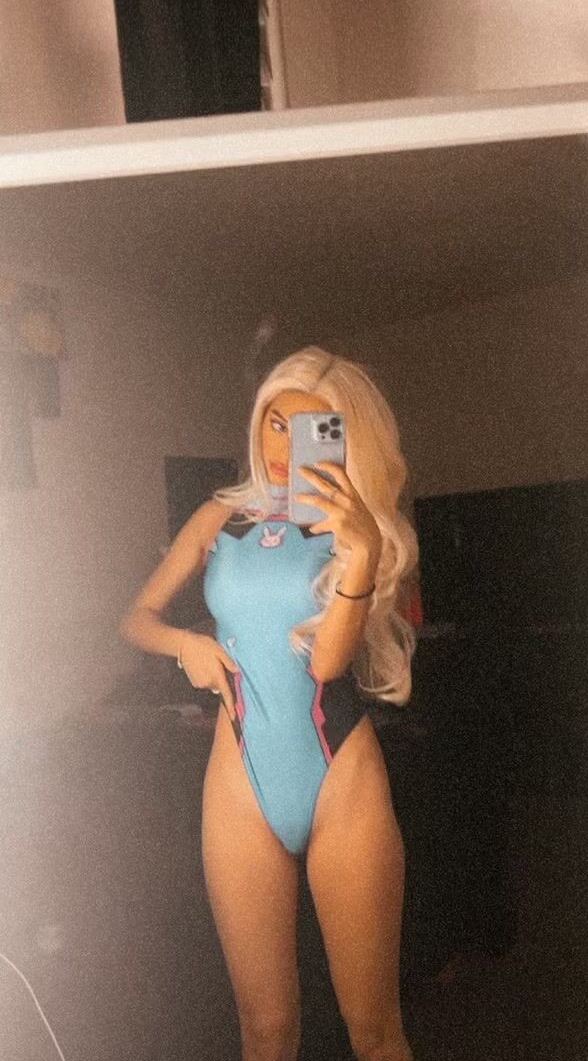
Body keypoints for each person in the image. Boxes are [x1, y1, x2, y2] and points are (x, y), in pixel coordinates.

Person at [121, 346, 418, 1061]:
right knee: (264, 1031)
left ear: (343, 437)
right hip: (237, 778)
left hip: (341, 777)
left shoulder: (355, 530)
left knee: (375, 1032)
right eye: (275, 423)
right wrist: (185, 646)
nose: (285, 447)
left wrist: (361, 555)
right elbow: (136, 619)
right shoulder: (219, 518)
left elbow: (327, 663)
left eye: (313, 429)